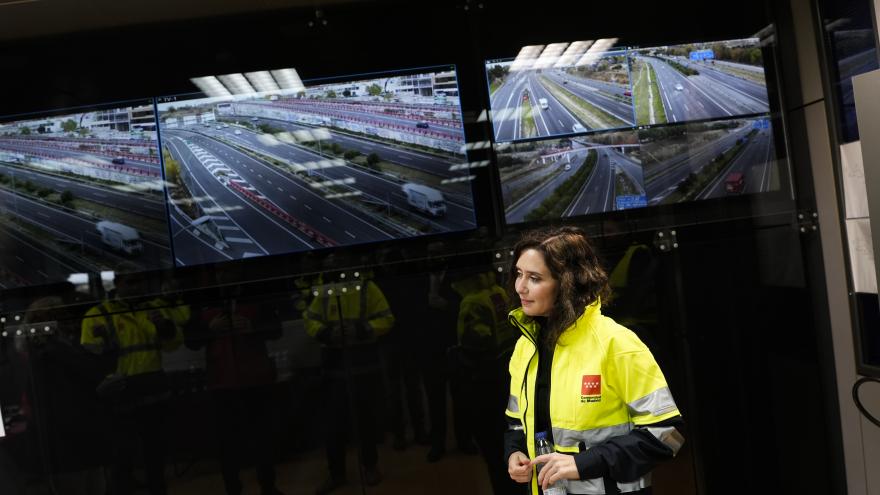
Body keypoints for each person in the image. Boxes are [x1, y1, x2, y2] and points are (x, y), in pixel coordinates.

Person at [504, 227, 684, 495]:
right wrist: (515, 451)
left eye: (534, 278)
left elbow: (669, 437)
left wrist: (583, 463)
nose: (520, 287)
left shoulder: (616, 344)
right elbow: (518, 422)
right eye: (518, 274)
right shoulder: (525, 347)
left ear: (566, 283)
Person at [304, 272, 394, 494]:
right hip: (336, 367)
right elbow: (310, 320)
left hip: (363, 364)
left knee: (365, 420)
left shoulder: (366, 287)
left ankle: (369, 466)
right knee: (334, 425)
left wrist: (360, 330)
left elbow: (387, 319)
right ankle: (337, 474)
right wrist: (327, 333)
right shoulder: (325, 292)